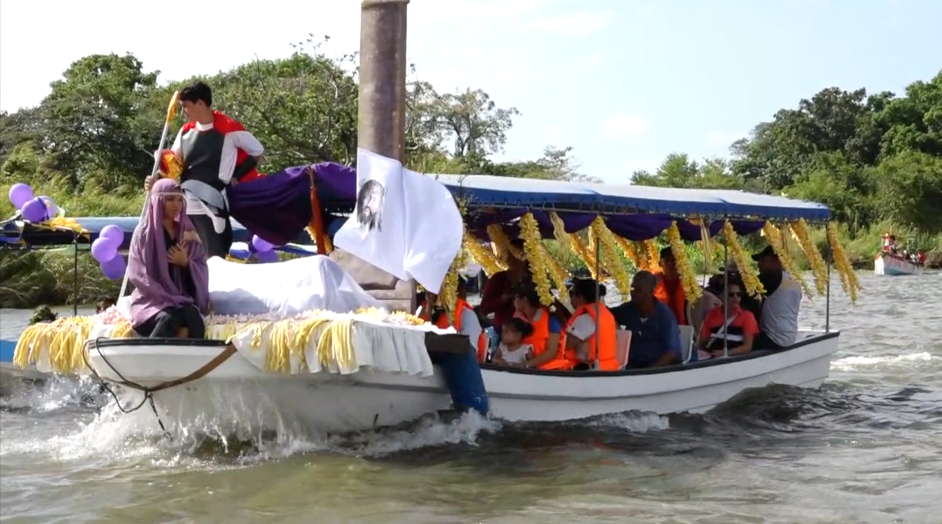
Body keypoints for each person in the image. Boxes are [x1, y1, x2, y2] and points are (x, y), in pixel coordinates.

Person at [145, 81, 265, 258]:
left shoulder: (228, 127)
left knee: (215, 253)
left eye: (186, 106)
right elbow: (174, 164)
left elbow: (257, 151)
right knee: (183, 250)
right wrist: (157, 178)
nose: (184, 111)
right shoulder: (186, 131)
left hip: (213, 199)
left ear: (200, 103)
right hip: (185, 199)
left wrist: (237, 176)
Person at [128, 179, 210, 339]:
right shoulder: (144, 233)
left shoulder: (187, 231)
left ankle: (192, 362)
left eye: (180, 199)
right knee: (170, 317)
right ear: (158, 200)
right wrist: (167, 297)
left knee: (192, 317)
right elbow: (138, 275)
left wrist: (186, 263)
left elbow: (201, 265)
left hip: (181, 299)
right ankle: (148, 358)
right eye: (170, 199)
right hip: (151, 302)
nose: (176, 205)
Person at [611, 270, 682, 368]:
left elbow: (672, 353)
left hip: (659, 370)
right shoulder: (628, 309)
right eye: (632, 288)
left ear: (651, 292)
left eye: (638, 290)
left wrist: (649, 371)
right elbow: (607, 315)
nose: (633, 292)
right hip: (632, 367)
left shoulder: (665, 315)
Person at [417, 279, 486, 360]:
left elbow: (468, 351)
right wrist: (428, 311)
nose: (430, 295)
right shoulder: (422, 310)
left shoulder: (467, 314)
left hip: (459, 365)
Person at [560, 278, 618, 370]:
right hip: (609, 366)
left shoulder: (586, 319)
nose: (571, 299)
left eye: (572, 295)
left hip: (591, 370)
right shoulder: (605, 313)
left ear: (580, 298)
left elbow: (566, 345)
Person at [752, 245, 801, 349]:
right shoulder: (794, 282)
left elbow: (747, 284)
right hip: (790, 336)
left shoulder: (774, 277)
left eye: (763, 261)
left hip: (773, 338)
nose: (759, 265)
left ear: (777, 260)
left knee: (733, 339)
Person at [478, 239, 531, 335]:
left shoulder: (535, 279)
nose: (510, 260)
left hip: (529, 332)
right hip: (502, 333)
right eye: (509, 256)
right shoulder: (498, 279)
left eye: (516, 256)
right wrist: (503, 298)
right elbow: (484, 308)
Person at [696, 280, 759, 359]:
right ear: (722, 296)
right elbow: (702, 343)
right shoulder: (711, 314)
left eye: (739, 294)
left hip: (735, 359)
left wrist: (727, 353)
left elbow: (747, 347)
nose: (735, 297)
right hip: (712, 358)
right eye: (731, 294)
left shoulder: (747, 316)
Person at [514, 283, 569, 370]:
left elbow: (552, 352)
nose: (514, 302)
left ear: (524, 300)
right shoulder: (519, 318)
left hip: (550, 371)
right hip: (527, 369)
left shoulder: (551, 318)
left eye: (515, 298)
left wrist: (526, 365)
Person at [654, 247, 687, 325]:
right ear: (660, 263)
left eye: (673, 260)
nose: (670, 263)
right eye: (666, 260)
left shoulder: (688, 282)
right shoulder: (653, 282)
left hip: (684, 327)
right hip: (659, 326)